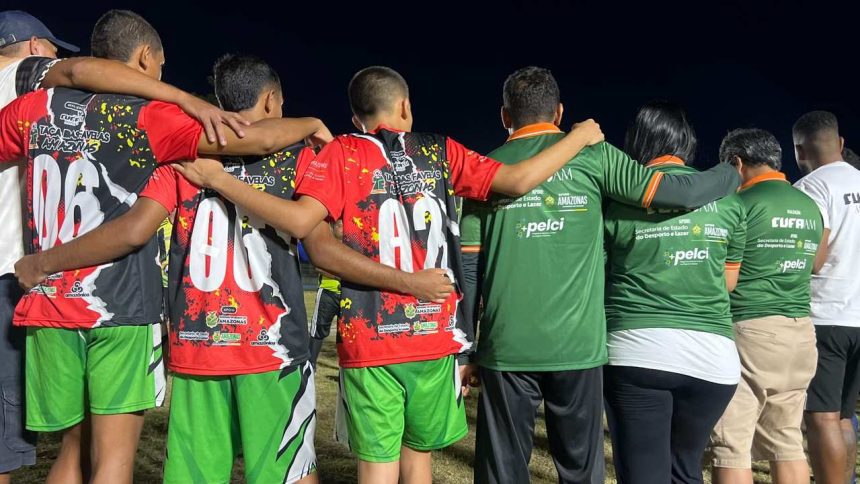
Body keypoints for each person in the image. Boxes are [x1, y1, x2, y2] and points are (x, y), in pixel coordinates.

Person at [14, 54, 457, 484]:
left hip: (197, 345)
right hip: (274, 349)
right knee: (289, 472)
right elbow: (319, 239)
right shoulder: (298, 159)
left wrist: (45, 261)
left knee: (196, 474)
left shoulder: (181, 163)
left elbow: (136, 227)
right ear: (270, 101)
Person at [171, 65, 606, 484]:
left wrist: (222, 178)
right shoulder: (439, 149)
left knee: (377, 469)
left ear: (356, 116)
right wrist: (580, 137)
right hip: (433, 335)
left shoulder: (341, 152)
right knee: (417, 461)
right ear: (404, 107)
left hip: (371, 337)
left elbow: (314, 239)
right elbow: (515, 181)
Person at [0, 10, 332, 484]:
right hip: (121, 305)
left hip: (51, 307)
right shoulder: (151, 118)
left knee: (72, 451)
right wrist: (309, 123)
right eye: (158, 65)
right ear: (144, 59)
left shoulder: (32, 108)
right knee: (113, 462)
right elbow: (252, 141)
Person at [459, 70, 742, 484]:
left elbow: (469, 269)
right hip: (578, 347)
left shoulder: (486, 170)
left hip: (507, 347)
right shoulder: (595, 156)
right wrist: (731, 174)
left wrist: (466, 349)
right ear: (559, 112)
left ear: (505, 116)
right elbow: (680, 194)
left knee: (502, 471)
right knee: (580, 470)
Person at [601, 101, 746, 484]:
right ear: (687, 143)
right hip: (713, 360)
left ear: (637, 142)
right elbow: (729, 282)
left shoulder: (616, 201)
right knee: (685, 471)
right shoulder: (728, 202)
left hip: (637, 349)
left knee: (644, 474)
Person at [708, 128, 822, 484]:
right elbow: (816, 263)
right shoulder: (808, 204)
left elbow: (722, 273)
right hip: (800, 332)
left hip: (750, 331)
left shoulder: (740, 205)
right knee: (786, 442)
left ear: (736, 163)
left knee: (731, 444)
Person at [793, 110, 860, 484]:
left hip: (828, 316)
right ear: (840, 144)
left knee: (821, 417)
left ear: (800, 151)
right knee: (844, 416)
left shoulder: (812, 188)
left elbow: (815, 261)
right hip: (859, 314)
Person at [309, 220, 343, 368]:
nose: (343, 229)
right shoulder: (326, 244)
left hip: (346, 295)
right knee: (319, 329)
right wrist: (338, 276)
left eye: (344, 225)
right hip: (327, 292)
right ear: (332, 227)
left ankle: (344, 367)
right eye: (339, 225)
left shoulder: (353, 247)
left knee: (346, 333)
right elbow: (318, 266)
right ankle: (310, 366)